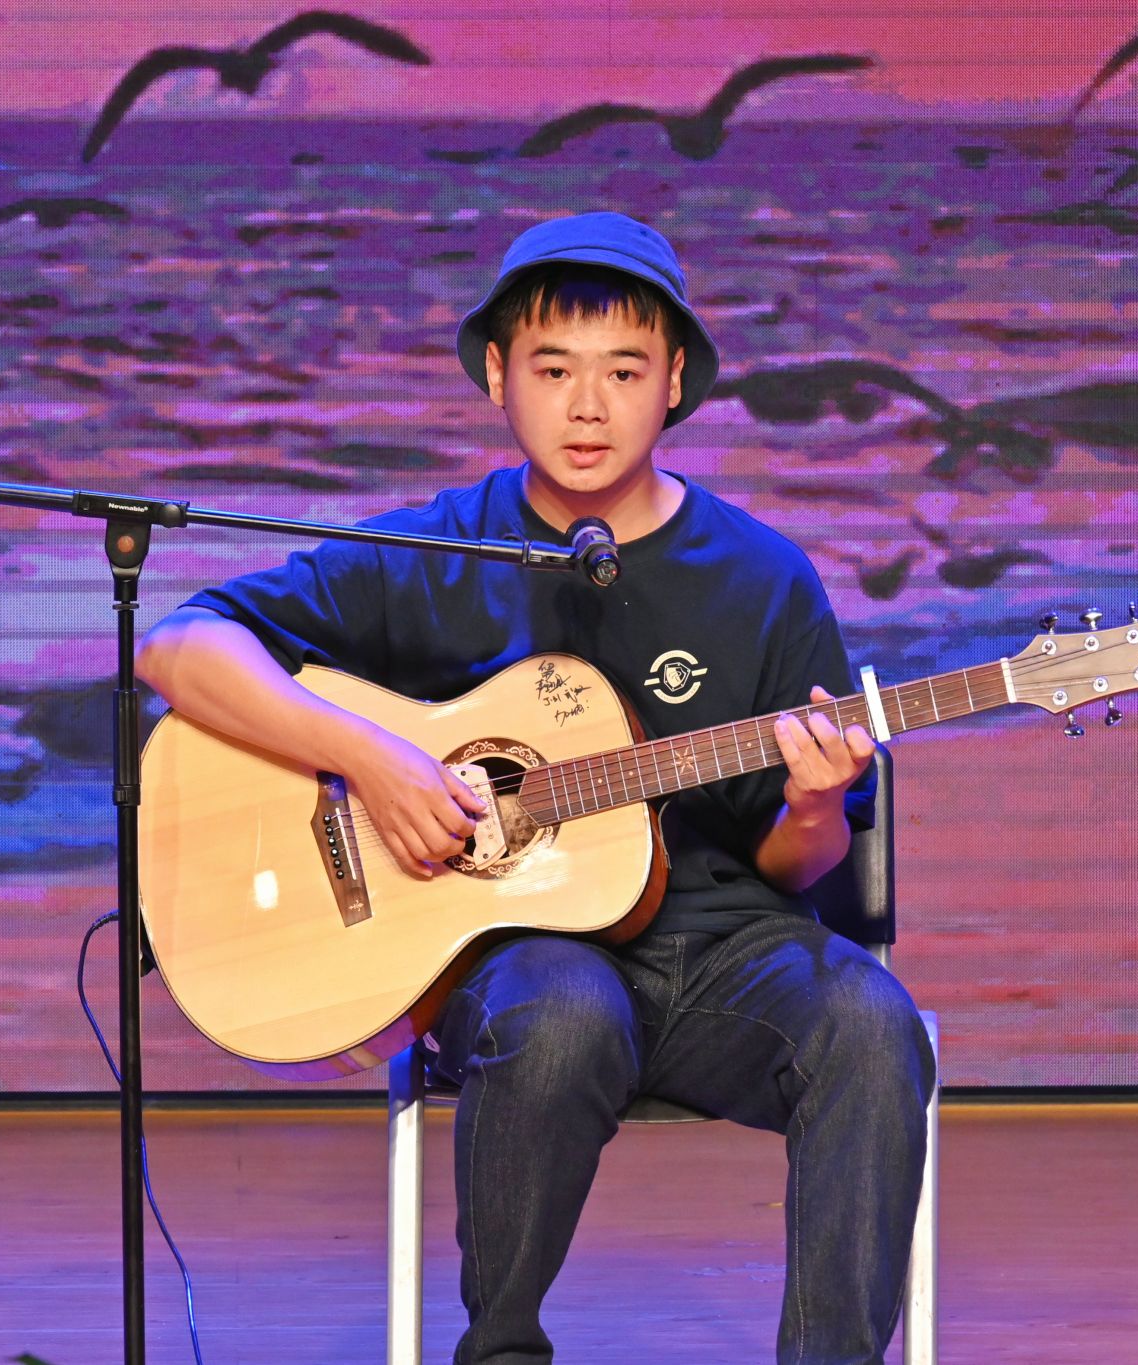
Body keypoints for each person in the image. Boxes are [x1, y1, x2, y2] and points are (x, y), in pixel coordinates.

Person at [136, 211, 935, 1365]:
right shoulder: (439, 551)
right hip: (515, 960)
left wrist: (812, 804)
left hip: (724, 953)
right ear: (497, 378)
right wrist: (368, 757)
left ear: (674, 384)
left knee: (870, 1022)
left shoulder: (762, 577)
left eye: (623, 372)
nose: (586, 407)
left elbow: (795, 861)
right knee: (559, 1012)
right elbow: (179, 646)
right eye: (553, 370)